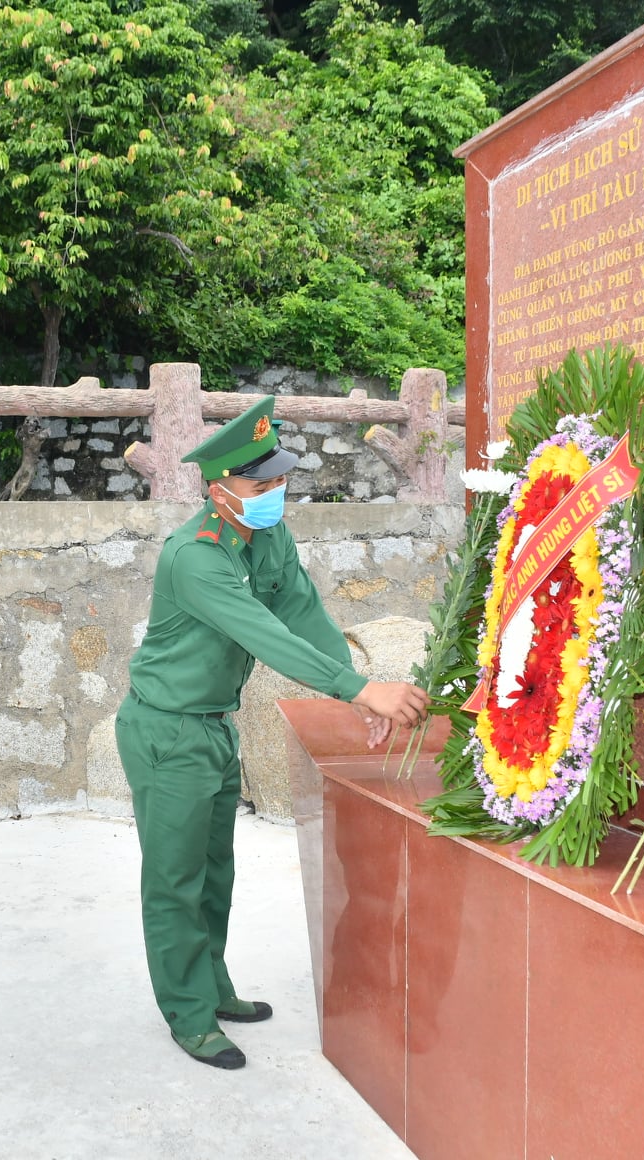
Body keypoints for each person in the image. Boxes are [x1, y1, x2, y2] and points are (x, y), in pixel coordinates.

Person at [117, 395, 429, 1070]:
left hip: (212, 726)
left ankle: (214, 986)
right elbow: (264, 634)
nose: (276, 496)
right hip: (166, 731)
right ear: (219, 490)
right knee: (175, 880)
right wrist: (360, 690)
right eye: (262, 488)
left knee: (215, 874)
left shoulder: (268, 537)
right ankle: (189, 1015)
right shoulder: (193, 557)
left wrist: (356, 689)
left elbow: (301, 612)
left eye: (282, 481)